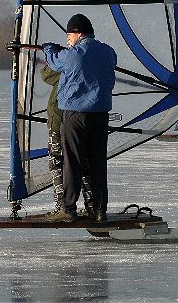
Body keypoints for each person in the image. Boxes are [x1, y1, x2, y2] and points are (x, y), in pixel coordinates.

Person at [42, 14, 117, 222]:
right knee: (98, 163)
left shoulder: (73, 54)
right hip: (101, 115)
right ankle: (100, 210)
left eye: (69, 35)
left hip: (75, 115)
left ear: (78, 33)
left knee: (72, 161)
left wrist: (48, 47)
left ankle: (68, 208)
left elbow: (54, 62)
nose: (68, 40)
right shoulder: (109, 52)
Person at [40, 64, 94, 217]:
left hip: (59, 124)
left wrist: (52, 59)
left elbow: (46, 74)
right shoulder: (86, 67)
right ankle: (92, 206)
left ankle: (62, 206)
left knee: (56, 163)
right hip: (81, 122)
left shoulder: (66, 69)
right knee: (83, 163)